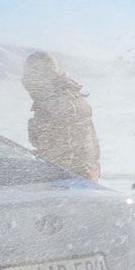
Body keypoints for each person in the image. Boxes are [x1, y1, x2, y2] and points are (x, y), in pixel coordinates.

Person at [21, 51, 100, 180]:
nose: (25, 83)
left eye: (28, 77)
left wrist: (49, 180)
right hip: (86, 175)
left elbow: (61, 154)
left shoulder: (53, 104)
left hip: (70, 182)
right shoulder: (70, 95)